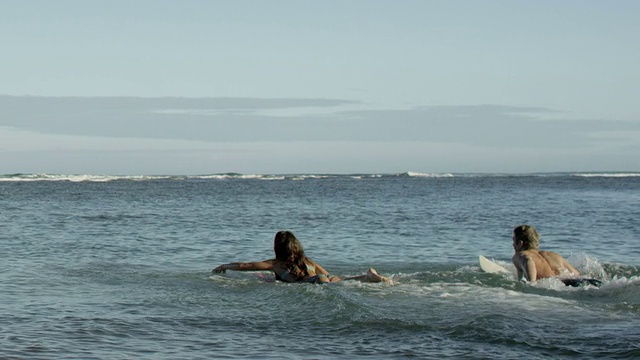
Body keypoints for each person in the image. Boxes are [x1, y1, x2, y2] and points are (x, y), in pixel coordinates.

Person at [212, 230, 393, 284]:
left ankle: (368, 278)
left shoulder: (275, 264)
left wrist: (225, 265)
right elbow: (328, 274)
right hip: (325, 277)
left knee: (325, 281)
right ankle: (369, 276)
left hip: (313, 282)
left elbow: (246, 265)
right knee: (347, 279)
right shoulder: (308, 261)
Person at [511, 225, 601, 287]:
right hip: (582, 281)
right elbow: (577, 274)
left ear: (520, 243)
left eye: (513, 240)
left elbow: (528, 260)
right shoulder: (554, 255)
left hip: (563, 285)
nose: (512, 245)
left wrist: (532, 282)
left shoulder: (520, 255)